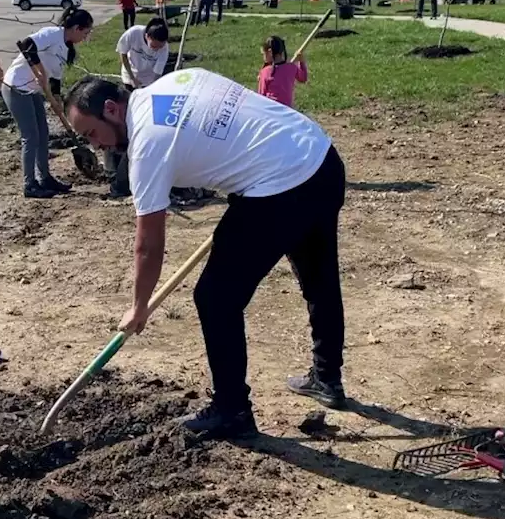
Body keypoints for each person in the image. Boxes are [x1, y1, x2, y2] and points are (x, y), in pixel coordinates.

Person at [63, 69, 349, 439]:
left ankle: (231, 410)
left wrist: (138, 304)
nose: (96, 146)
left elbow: (149, 243)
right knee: (319, 278)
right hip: (319, 158)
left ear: (112, 109)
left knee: (215, 298)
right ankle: (327, 379)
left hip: (282, 184)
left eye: (92, 134)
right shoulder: (177, 81)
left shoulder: (148, 145)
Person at [1, 8, 94, 199]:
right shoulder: (52, 34)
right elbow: (27, 45)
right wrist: (40, 71)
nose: (85, 38)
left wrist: (57, 100)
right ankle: (29, 185)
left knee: (43, 134)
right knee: (31, 136)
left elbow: (55, 81)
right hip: (16, 86)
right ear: (76, 28)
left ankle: (44, 178)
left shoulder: (67, 49)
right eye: (85, 33)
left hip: (33, 90)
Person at [110, 18, 170, 198]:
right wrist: (131, 78)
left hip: (146, 85)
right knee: (124, 121)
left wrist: (147, 91)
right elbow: (122, 54)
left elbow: (157, 75)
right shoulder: (134, 34)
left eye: (160, 46)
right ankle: (116, 165)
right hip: (128, 80)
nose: (157, 49)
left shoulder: (164, 49)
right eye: (155, 45)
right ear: (147, 36)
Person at [256, 35, 307, 108]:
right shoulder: (291, 67)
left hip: (269, 110)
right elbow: (303, 78)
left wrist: (261, 79)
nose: (263, 57)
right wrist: (301, 61)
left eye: (263, 54)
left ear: (270, 52)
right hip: (286, 110)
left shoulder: (265, 72)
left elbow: (261, 96)